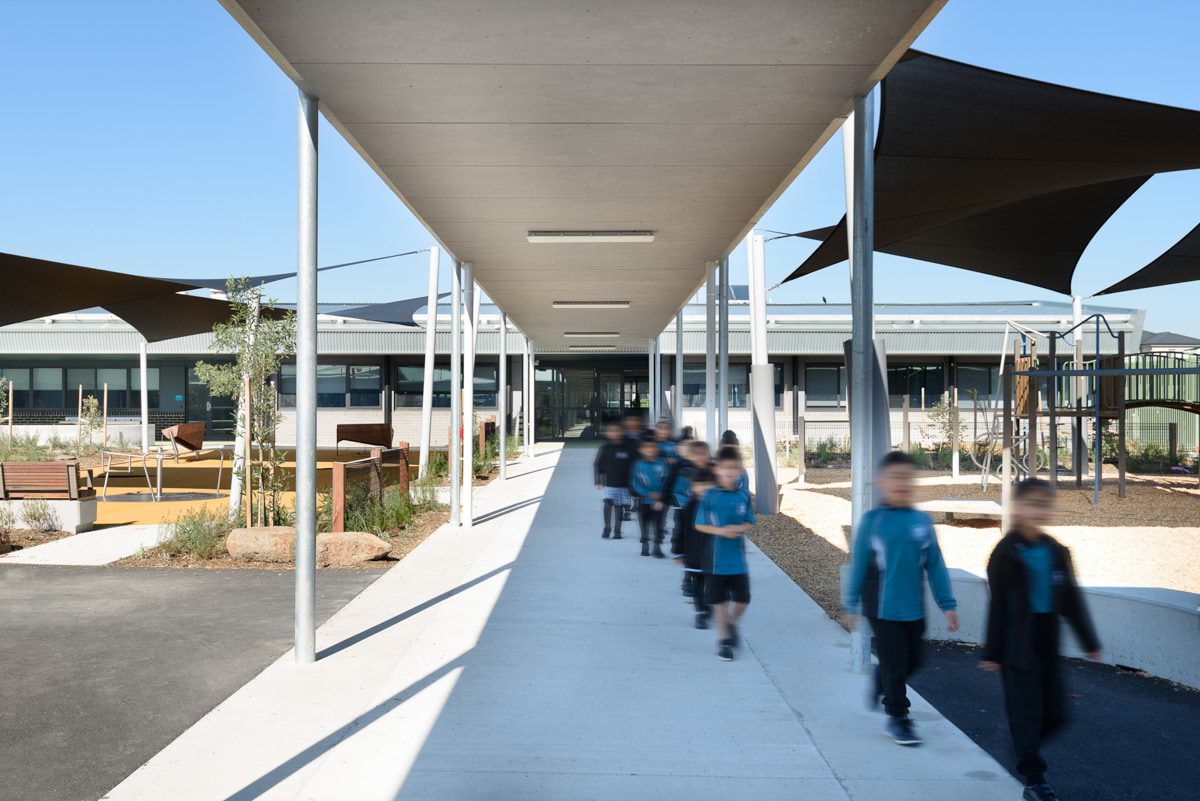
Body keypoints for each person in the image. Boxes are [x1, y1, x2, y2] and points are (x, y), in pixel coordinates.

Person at [979, 479, 1102, 801]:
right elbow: (998, 606)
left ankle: (1025, 744)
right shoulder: (1004, 554)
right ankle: (1034, 778)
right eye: (1031, 503)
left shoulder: (1056, 551)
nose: (1038, 510)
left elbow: (1072, 599)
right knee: (1026, 714)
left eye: (1044, 504)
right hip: (1016, 647)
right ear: (1017, 508)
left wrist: (1089, 640)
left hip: (1047, 641)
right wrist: (992, 651)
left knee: (1057, 715)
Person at [844, 450, 959, 746]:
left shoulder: (922, 521)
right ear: (881, 481)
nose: (901, 484)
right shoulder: (873, 521)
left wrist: (948, 604)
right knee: (896, 665)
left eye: (907, 478)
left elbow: (935, 564)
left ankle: (881, 675)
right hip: (883, 608)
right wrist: (852, 604)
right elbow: (859, 564)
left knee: (915, 661)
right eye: (895, 478)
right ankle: (898, 717)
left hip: (914, 608)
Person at [694, 448, 756, 662]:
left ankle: (731, 623)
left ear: (740, 471)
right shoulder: (710, 496)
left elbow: (749, 520)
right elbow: (700, 524)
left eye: (734, 468)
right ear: (718, 470)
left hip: (737, 560)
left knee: (743, 600)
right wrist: (721, 531)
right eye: (726, 468)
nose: (730, 472)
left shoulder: (743, 495)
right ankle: (724, 642)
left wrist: (741, 528)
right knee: (720, 603)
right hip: (716, 559)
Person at [671, 442, 714, 626]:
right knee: (697, 583)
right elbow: (679, 530)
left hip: (713, 553)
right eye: (699, 485)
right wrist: (679, 551)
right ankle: (700, 612)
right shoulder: (688, 507)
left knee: (711, 583)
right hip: (694, 552)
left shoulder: (717, 505)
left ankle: (709, 606)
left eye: (708, 485)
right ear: (693, 487)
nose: (703, 488)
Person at [593, 421, 635, 539]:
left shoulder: (627, 448)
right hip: (609, 483)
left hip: (624, 483)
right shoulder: (605, 448)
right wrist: (598, 480)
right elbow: (597, 464)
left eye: (617, 431)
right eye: (612, 431)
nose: (615, 433)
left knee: (619, 507)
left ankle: (617, 530)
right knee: (608, 503)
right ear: (607, 433)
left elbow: (633, 464)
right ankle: (607, 527)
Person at [631, 436, 669, 558]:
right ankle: (645, 543)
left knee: (658, 523)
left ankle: (657, 546)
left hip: (659, 501)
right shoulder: (638, 464)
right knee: (644, 523)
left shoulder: (662, 463)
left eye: (653, 447)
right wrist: (648, 493)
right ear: (641, 450)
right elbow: (635, 483)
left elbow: (667, 480)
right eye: (646, 447)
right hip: (644, 500)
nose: (650, 450)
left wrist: (661, 495)